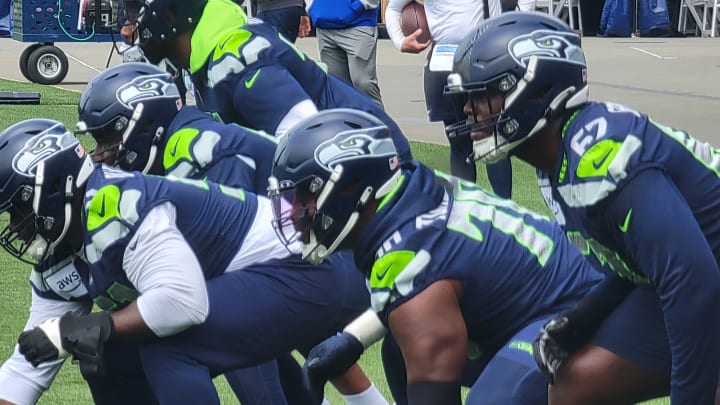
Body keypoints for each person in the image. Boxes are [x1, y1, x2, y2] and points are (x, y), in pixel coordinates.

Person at [266, 107, 652, 404]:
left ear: (351, 186)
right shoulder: (412, 192)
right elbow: (432, 275)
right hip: (560, 298)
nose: (297, 212)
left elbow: (420, 286)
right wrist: (353, 338)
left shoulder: (406, 254)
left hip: (578, 321)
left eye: (306, 194)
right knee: (399, 352)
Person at [445, 11, 720, 404]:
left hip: (702, 276)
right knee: (571, 387)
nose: (470, 111)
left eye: (483, 95)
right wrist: (582, 318)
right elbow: (639, 261)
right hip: (693, 275)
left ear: (536, 91)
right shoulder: (556, 161)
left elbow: (691, 278)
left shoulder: (600, 157)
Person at [74, 61, 385, 405]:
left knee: (211, 318)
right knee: (245, 316)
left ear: (147, 123)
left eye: (108, 136)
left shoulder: (195, 149)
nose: (100, 153)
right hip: (309, 261)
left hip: (340, 259)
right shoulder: (176, 147)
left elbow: (235, 263)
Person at [0, 118, 369, 405]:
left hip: (305, 269)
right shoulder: (60, 251)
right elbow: (30, 362)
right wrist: (77, 334)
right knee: (105, 350)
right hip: (252, 286)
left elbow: (182, 304)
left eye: (18, 208)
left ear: (52, 189)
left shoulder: (116, 208)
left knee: (166, 346)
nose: (16, 224)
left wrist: (98, 325)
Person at [123, 0, 412, 164]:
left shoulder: (237, 61)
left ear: (176, 19)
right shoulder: (208, 57)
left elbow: (307, 138)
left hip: (372, 164)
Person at [384, 0, 525, 199]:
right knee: (459, 143)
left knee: (493, 137)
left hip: (484, 56)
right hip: (445, 60)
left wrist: (520, 24)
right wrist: (400, 41)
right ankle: (463, 210)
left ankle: (506, 209)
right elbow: (393, 8)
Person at [305, 0, 384, 108]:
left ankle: (380, 123)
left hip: (359, 24)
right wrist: (312, 7)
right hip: (325, 25)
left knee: (363, 84)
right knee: (338, 88)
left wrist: (357, 6)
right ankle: (347, 124)